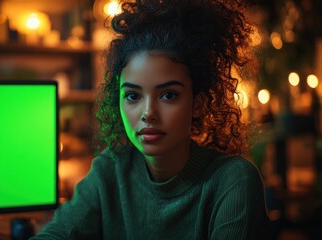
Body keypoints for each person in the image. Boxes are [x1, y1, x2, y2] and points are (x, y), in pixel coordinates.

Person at [31, 0, 270, 239]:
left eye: (168, 95)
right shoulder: (110, 170)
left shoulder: (233, 181)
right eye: (133, 96)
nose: (148, 113)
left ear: (198, 103)